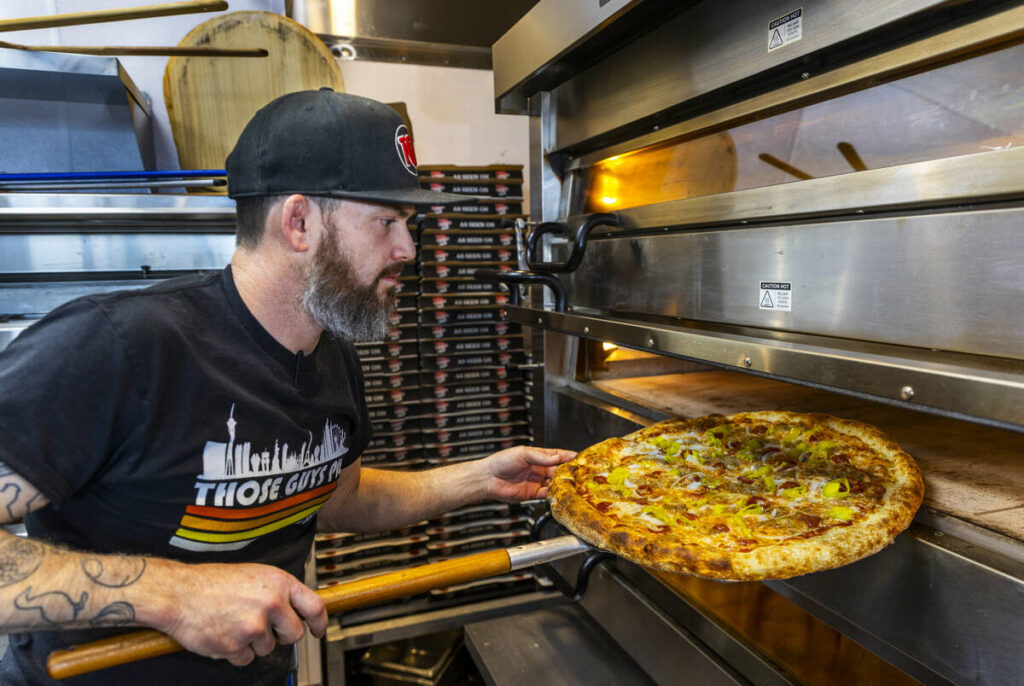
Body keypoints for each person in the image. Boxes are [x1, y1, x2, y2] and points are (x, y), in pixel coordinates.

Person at [0, 89, 574, 685]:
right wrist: (174, 594)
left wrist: (481, 479)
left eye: (409, 225)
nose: (407, 249)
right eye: (386, 221)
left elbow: (336, 497)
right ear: (298, 222)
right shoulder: (120, 347)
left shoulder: (332, 359)